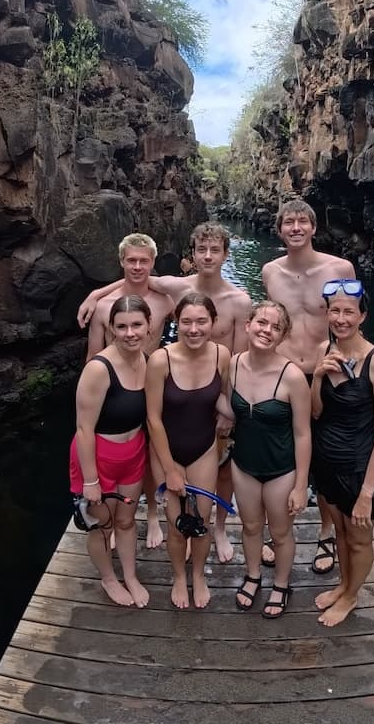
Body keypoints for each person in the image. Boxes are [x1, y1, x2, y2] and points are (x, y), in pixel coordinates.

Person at [78, 222, 251, 564]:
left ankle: (217, 527)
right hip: (163, 386)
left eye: (215, 250)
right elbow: (134, 278)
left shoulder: (237, 301)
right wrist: (95, 294)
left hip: (211, 390)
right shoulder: (177, 288)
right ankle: (156, 514)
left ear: (226, 255)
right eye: (201, 249)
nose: (207, 256)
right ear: (192, 254)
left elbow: (238, 360)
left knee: (221, 466)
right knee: (151, 451)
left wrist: (227, 406)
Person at [262, 199, 356, 576]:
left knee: (326, 456)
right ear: (280, 230)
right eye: (289, 222)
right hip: (284, 372)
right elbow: (272, 323)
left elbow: (350, 320)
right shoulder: (270, 271)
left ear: (314, 227)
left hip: (326, 371)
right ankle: (276, 530)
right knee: (280, 453)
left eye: (303, 221)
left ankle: (326, 532)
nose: (296, 228)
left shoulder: (339, 268)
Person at [76, 233, 174, 550]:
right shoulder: (105, 307)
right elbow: (93, 355)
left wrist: (95, 290)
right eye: (131, 260)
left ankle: (153, 513)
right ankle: (117, 514)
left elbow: (197, 299)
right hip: (115, 388)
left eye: (144, 261)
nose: (137, 267)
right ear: (121, 261)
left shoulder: (164, 301)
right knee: (116, 451)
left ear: (153, 262)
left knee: (150, 452)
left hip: (150, 383)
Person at [310, 278, 374, 626]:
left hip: (360, 468)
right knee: (342, 532)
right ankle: (344, 585)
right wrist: (317, 377)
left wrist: (367, 494)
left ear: (362, 316)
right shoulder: (324, 349)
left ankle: (351, 596)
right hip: (326, 461)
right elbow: (316, 412)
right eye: (335, 311)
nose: (341, 319)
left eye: (349, 312)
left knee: (359, 538)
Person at [225, 301, 311, 618]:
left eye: (276, 327)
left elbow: (303, 433)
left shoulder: (293, 377)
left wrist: (301, 485)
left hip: (281, 469)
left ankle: (281, 584)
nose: (267, 330)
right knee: (250, 527)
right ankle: (253, 575)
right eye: (262, 322)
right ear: (248, 324)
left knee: (280, 532)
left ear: (283, 336)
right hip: (243, 464)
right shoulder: (233, 364)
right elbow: (229, 407)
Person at [145, 292, 231, 609]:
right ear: (176, 323)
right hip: (166, 450)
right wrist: (169, 470)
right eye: (186, 322)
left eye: (201, 321)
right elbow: (153, 419)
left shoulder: (222, 355)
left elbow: (224, 396)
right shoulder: (160, 360)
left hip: (203, 448)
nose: (194, 329)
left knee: (201, 521)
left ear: (213, 322)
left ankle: (198, 574)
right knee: (176, 523)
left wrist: (228, 416)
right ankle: (179, 576)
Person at [69, 294, 152, 608]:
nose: (130, 333)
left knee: (126, 520)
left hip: (133, 452)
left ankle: (130, 575)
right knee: (102, 524)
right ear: (111, 329)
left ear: (149, 326)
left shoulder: (148, 361)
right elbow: (83, 428)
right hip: (99, 455)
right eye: (122, 327)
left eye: (136, 325)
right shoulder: (99, 368)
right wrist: (90, 480)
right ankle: (108, 578)